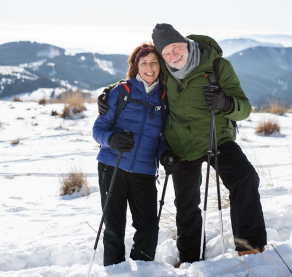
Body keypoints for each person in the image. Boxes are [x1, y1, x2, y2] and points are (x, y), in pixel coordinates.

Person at [99, 24, 267, 266]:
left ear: (186, 43)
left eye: (176, 48)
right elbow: (142, 78)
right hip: (181, 145)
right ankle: (190, 259)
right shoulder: (165, 71)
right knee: (186, 204)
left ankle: (250, 247)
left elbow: (245, 108)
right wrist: (108, 93)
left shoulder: (218, 66)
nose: (173, 56)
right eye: (165, 53)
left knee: (245, 178)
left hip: (216, 137)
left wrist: (225, 102)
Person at [92, 43, 180, 266]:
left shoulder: (165, 97)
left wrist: (165, 154)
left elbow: (161, 138)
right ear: (136, 66)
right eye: (144, 63)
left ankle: (143, 270)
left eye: (154, 62)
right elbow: (98, 129)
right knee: (113, 228)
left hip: (144, 171)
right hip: (112, 165)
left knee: (149, 228)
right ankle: (114, 271)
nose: (149, 67)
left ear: (161, 66)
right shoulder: (121, 92)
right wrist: (112, 139)